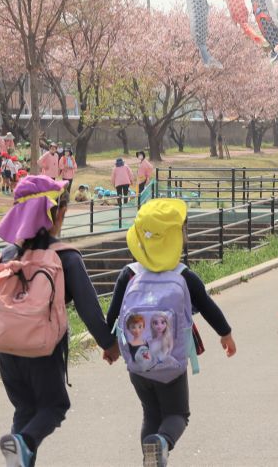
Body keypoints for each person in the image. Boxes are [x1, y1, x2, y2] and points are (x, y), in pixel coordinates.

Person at [0, 175, 116, 467]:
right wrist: (108, 344)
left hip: (6, 347)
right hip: (42, 350)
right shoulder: (65, 257)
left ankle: (20, 451)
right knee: (54, 406)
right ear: (55, 214)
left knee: (25, 409)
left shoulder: (7, 255)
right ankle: (23, 442)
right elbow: (88, 307)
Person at [104, 198, 236, 467]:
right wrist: (226, 334)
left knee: (150, 413)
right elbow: (209, 307)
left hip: (138, 365)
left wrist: (109, 346)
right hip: (171, 364)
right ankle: (162, 443)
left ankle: (151, 458)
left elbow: (113, 316)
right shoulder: (184, 276)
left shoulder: (128, 274)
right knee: (177, 414)